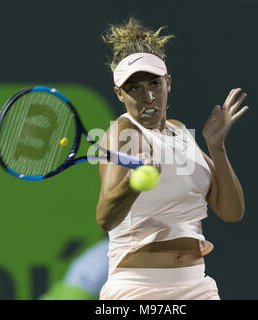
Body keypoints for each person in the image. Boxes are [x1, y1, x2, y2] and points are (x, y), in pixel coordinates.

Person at [96, 17, 249, 300]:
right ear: (119, 94)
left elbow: (231, 212)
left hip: (197, 286)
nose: (148, 96)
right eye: (134, 88)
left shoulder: (179, 132)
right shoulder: (123, 133)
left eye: (154, 83)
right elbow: (105, 217)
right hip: (139, 289)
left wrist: (216, 146)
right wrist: (133, 182)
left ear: (168, 83)